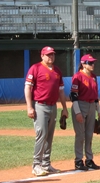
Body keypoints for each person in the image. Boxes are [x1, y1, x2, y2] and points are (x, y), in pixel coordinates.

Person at [25, 46, 69, 176]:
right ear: (42, 56)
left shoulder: (57, 71)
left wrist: (65, 108)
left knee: (49, 136)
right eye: (48, 55)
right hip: (40, 105)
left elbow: (61, 91)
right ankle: (36, 165)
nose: (51, 57)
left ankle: (46, 163)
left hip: (53, 106)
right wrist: (29, 107)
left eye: (53, 55)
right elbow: (27, 88)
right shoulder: (36, 68)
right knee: (41, 134)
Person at [70, 54, 100, 170]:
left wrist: (99, 111)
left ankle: (89, 160)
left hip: (91, 106)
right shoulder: (77, 76)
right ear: (83, 64)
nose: (92, 64)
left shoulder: (94, 77)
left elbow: (95, 97)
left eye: (93, 62)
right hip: (80, 105)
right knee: (80, 135)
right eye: (90, 63)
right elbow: (73, 96)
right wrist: (77, 112)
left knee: (89, 135)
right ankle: (78, 161)